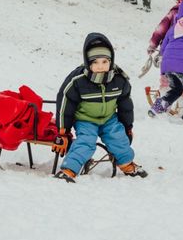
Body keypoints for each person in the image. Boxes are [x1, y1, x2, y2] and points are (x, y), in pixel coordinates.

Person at [53, 33, 148, 183]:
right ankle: (69, 169)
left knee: (118, 138)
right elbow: (65, 103)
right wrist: (63, 131)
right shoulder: (78, 80)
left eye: (104, 61)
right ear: (88, 63)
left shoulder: (119, 80)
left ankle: (127, 164)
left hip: (109, 118)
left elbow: (125, 106)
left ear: (111, 61)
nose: (100, 66)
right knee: (86, 141)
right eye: (95, 62)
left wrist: (127, 127)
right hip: (85, 119)